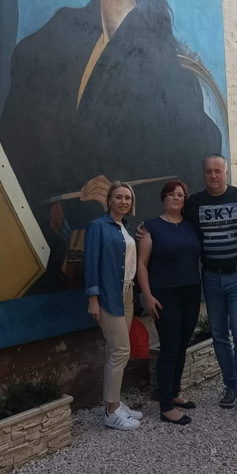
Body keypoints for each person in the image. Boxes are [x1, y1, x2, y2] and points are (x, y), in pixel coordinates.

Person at [0, 0, 222, 292]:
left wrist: (124, 197)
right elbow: (16, 153)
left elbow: (195, 170)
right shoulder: (48, 41)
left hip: (124, 260)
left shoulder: (171, 71)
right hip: (40, 254)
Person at [184, 155, 237, 418]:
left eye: (218, 171)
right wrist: (146, 230)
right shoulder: (194, 203)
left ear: (226, 172)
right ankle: (231, 385)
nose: (213, 176)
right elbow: (174, 221)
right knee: (219, 335)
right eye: (208, 172)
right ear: (203, 174)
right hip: (211, 278)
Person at [137, 181, 201, 426]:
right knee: (170, 347)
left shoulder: (191, 225)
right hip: (164, 294)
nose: (176, 198)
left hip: (191, 292)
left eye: (181, 195)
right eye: (171, 194)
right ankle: (165, 407)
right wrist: (148, 295)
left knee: (182, 345)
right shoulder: (151, 227)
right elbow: (142, 264)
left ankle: (173, 393)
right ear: (163, 198)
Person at [84, 182, 144, 430]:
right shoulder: (98, 226)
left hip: (127, 294)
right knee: (121, 351)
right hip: (109, 295)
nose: (123, 201)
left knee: (114, 351)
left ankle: (115, 402)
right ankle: (111, 411)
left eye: (127, 198)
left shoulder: (125, 227)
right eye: (118, 197)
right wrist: (93, 298)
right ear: (109, 200)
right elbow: (91, 262)